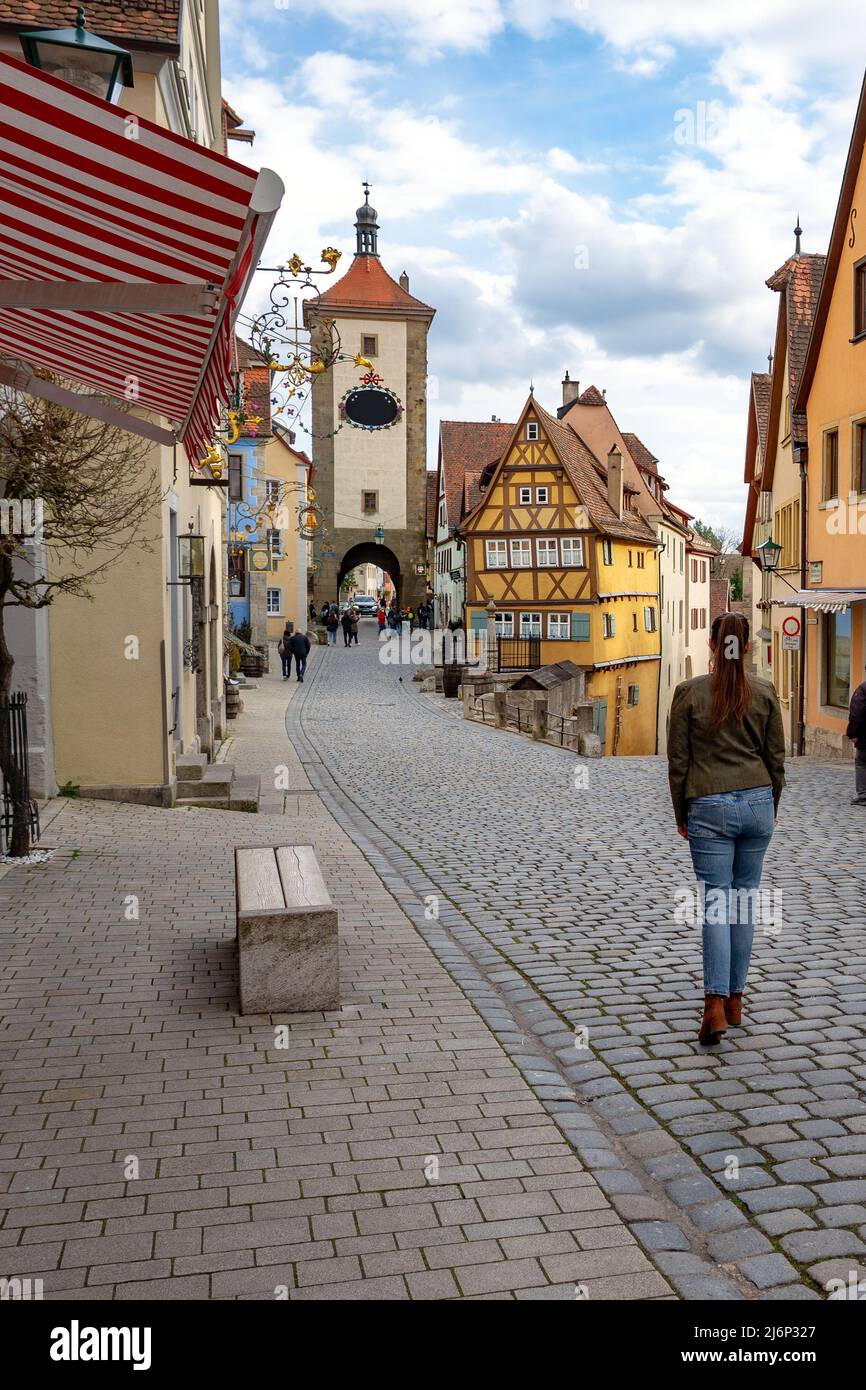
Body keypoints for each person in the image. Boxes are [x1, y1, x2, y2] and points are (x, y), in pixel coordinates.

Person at [667, 612, 785, 1046]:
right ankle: (735, 1000)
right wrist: (770, 806)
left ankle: (714, 1005)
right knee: (745, 902)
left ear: (713, 646)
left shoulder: (688, 694)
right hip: (756, 803)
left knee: (716, 904)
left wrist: (682, 813)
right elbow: (777, 760)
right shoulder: (765, 692)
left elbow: (678, 764)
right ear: (748, 646)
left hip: (708, 806)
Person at [847, 669, 866, 805]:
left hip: (865, 737)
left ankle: (863, 795)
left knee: (862, 763)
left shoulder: (863, 689)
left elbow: (857, 713)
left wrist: (853, 733)